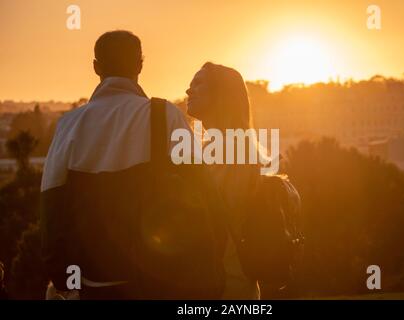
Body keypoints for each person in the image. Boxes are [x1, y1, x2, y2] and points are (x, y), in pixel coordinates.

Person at [41, 31, 225, 299]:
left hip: (94, 282)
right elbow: (206, 194)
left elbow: (52, 207)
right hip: (161, 279)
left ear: (96, 67)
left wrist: (62, 277)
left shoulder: (69, 124)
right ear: (140, 64)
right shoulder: (165, 116)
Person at [185, 62, 263, 299]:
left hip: (228, 285)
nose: (189, 91)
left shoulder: (234, 148)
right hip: (217, 282)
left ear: (221, 95)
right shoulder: (215, 147)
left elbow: (209, 213)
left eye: (198, 85)